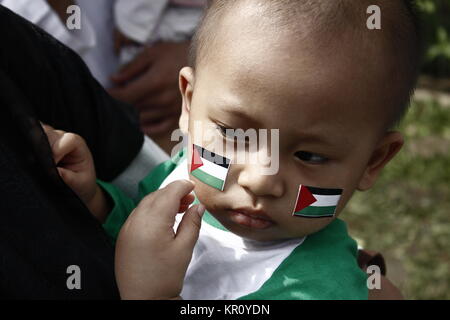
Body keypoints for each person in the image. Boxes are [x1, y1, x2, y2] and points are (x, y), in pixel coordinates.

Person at [42, 0, 420, 299]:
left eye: (310, 156)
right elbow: (140, 224)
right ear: (189, 105)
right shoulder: (184, 179)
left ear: (373, 161)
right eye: (235, 135)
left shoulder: (316, 290)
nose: (259, 180)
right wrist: (96, 202)